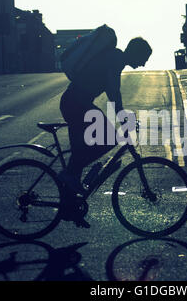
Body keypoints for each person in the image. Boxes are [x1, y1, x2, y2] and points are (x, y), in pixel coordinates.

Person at [60, 37, 152, 228]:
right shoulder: (116, 59)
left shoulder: (116, 58)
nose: (143, 63)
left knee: (85, 151)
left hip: (77, 103)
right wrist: (123, 117)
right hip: (76, 104)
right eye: (144, 58)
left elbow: (113, 93)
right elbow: (113, 92)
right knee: (108, 138)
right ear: (135, 52)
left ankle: (70, 207)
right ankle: (69, 177)